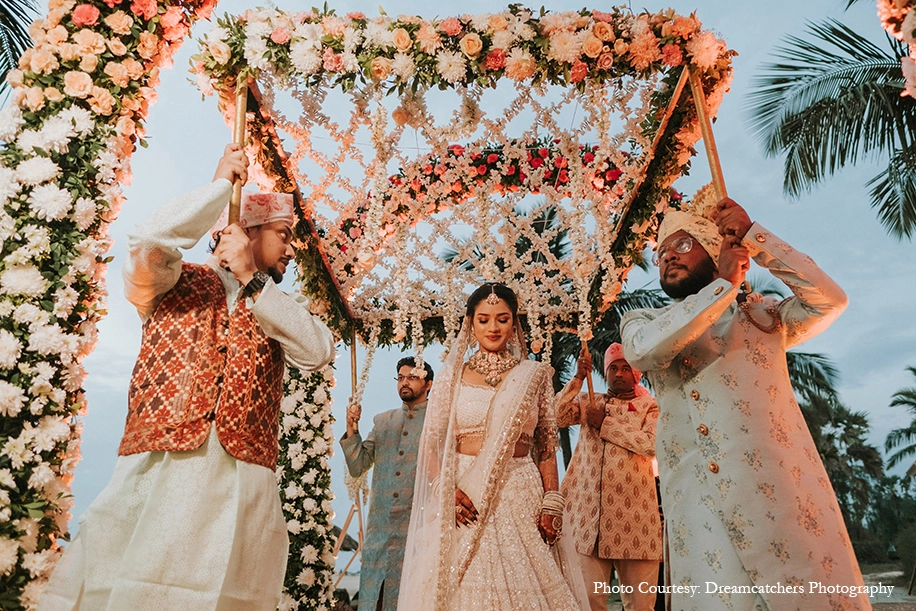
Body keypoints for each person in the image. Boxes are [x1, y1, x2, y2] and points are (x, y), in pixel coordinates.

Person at [39, 143, 336, 611]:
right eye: (283, 233)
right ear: (249, 230)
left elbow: (319, 351)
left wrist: (251, 280)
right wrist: (220, 186)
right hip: (162, 472)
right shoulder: (170, 281)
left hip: (241, 487)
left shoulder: (276, 308)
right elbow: (147, 240)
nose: (292, 248)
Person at [620, 197, 868, 611]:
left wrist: (756, 235)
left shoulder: (765, 317)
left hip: (783, 502)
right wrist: (723, 285)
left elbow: (830, 300)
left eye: (680, 246)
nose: (666, 259)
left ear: (712, 246)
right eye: (660, 254)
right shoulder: (642, 321)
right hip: (702, 514)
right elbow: (644, 352)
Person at [397, 283, 588, 611]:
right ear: (470, 323)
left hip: (521, 492)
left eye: (502, 319)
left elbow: (545, 444)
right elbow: (430, 445)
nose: (493, 327)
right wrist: (447, 490)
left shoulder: (535, 374)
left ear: (515, 323)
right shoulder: (449, 378)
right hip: (465, 495)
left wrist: (551, 501)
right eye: (484, 319)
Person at [556, 343, 662, 611]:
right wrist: (579, 378)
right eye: (613, 368)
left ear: (635, 373)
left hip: (636, 521)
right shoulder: (591, 401)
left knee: (640, 604)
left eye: (625, 368)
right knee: (588, 601)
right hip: (589, 521)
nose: (618, 373)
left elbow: (652, 444)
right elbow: (556, 415)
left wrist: (604, 423)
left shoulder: (650, 406)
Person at [340, 357, 434, 611]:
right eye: (400, 377)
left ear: (428, 384)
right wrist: (351, 428)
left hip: (418, 531)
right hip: (379, 532)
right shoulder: (383, 422)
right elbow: (358, 465)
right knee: (375, 601)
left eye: (412, 377)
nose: (405, 382)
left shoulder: (438, 423)